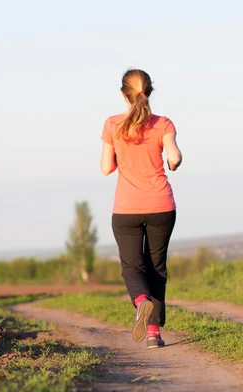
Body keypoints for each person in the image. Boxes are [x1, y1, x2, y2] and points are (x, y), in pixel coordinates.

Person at [100, 69, 182, 349]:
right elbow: (174, 157)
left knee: (131, 267)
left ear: (124, 94)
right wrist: (171, 163)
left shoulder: (112, 124)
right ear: (149, 92)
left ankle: (141, 301)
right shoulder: (163, 124)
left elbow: (106, 168)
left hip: (127, 209)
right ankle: (153, 335)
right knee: (156, 267)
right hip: (161, 205)